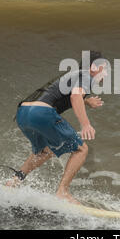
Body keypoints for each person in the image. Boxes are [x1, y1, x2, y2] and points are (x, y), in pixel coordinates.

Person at [6, 51, 107, 205]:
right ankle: (63, 192)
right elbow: (74, 96)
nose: (105, 73)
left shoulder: (74, 75)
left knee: (46, 150)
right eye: (103, 68)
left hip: (23, 113)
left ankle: (15, 180)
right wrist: (86, 124)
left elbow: (59, 94)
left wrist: (87, 101)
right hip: (42, 113)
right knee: (81, 149)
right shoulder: (86, 76)